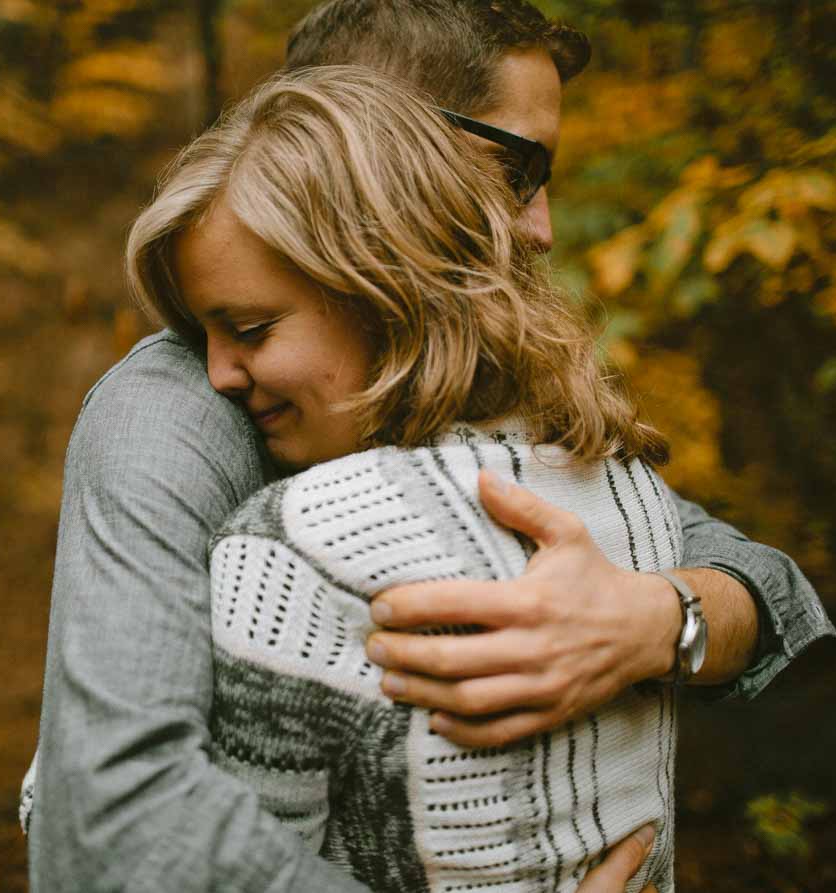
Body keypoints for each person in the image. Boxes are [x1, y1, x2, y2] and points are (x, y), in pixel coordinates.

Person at [24, 2, 833, 890]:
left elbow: (760, 584)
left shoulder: (481, 403)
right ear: (371, 153)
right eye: (519, 168)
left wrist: (652, 621)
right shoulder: (177, 418)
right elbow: (114, 819)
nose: (540, 227)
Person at [131, 64, 683, 891]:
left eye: (248, 328)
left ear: (383, 286)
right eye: (200, 336)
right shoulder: (632, 487)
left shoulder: (295, 544)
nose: (218, 376)